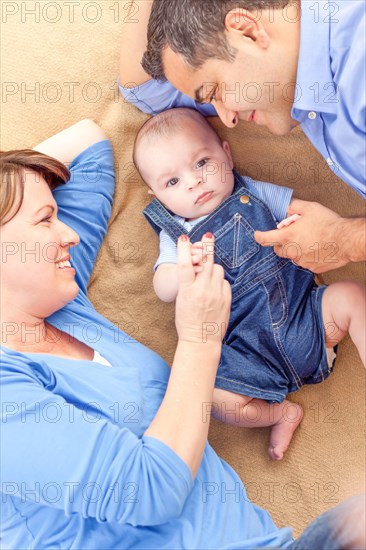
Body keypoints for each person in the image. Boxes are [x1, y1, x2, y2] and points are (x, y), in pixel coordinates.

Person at [1, 119, 365, 548]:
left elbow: (88, 145)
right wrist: (199, 339)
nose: (70, 235)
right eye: (47, 220)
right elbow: (149, 492)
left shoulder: (62, 304)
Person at [133, 106, 366, 460]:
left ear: (226, 154)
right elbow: (162, 288)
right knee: (214, 399)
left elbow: (307, 215)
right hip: (249, 356)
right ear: (157, 198)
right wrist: (182, 272)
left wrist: (296, 225)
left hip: (309, 322)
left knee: (351, 295)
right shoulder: (176, 236)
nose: (194, 182)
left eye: (201, 163)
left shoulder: (253, 192)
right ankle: (280, 413)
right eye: (172, 181)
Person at [119, 0, 366, 274]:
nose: (227, 119)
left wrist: (342, 239)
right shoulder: (280, 78)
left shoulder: (358, 62)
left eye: (216, 93)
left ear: (247, 31)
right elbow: (142, 89)